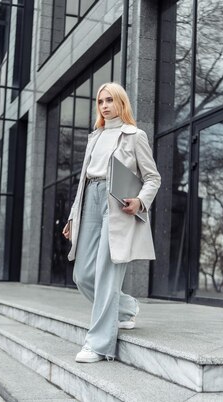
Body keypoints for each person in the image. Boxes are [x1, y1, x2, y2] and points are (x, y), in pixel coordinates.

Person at [62, 82, 161, 363]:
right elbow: (82, 181)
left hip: (118, 205)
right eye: (100, 101)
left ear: (121, 103)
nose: (104, 105)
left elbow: (153, 177)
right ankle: (127, 307)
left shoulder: (135, 136)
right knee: (82, 274)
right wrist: (73, 215)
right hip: (90, 200)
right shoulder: (95, 137)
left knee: (106, 273)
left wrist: (141, 201)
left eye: (110, 100)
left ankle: (98, 344)